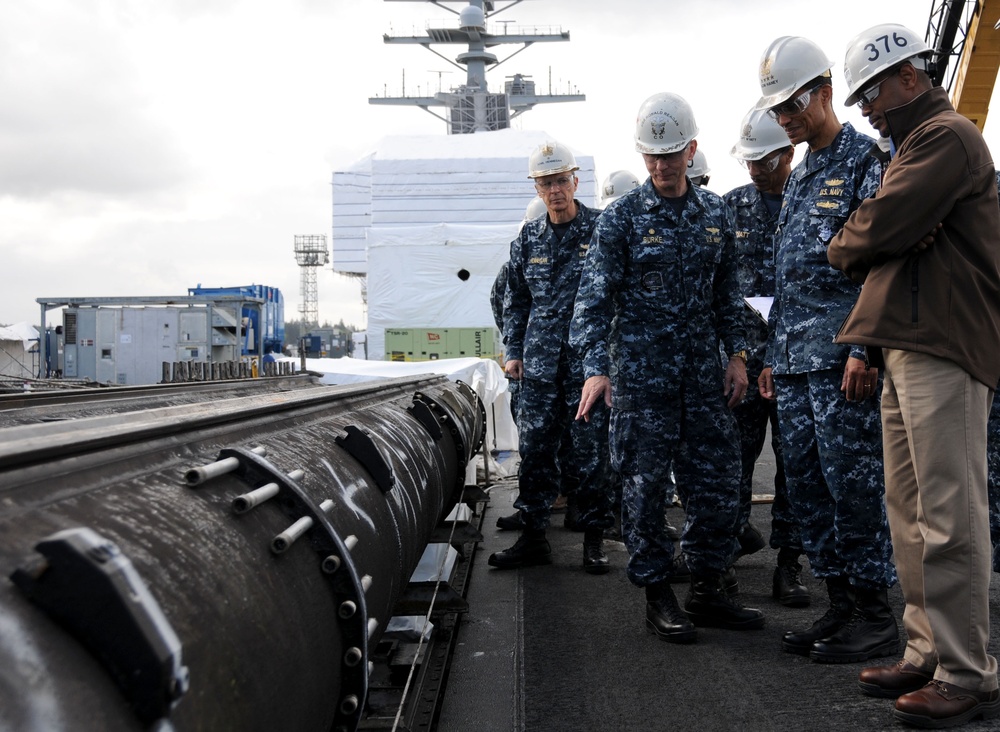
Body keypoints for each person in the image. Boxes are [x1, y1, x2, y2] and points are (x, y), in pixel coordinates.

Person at [828, 23, 1000, 727]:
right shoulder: (909, 148)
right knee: (910, 514)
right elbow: (882, 229)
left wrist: (864, 238)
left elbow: (871, 229)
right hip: (906, 341)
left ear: (908, 77)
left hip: (944, 344)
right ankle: (927, 648)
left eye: (872, 93)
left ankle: (968, 672)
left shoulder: (944, 138)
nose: (867, 108)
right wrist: (877, 234)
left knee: (950, 513)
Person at [571, 92, 764, 644]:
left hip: (704, 379)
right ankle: (658, 595)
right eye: (651, 156)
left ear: (692, 150)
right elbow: (593, 301)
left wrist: (737, 355)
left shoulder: (714, 214)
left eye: (671, 154)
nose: (660, 166)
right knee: (643, 490)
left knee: (718, 485)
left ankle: (707, 588)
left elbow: (730, 295)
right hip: (642, 383)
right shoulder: (622, 221)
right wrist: (596, 369)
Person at [754, 35, 898, 663]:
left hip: (843, 363)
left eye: (792, 105)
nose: (784, 118)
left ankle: (875, 615)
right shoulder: (802, 171)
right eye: (777, 110)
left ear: (825, 92)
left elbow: (883, 264)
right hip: (791, 363)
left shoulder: (867, 159)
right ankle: (839, 605)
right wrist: (770, 357)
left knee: (854, 487)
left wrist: (866, 348)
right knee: (808, 490)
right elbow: (787, 274)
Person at [488, 140, 615, 574]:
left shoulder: (603, 229)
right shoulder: (528, 238)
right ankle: (533, 535)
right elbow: (515, 300)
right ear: (537, 189)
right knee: (537, 451)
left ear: (575, 180)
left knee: (591, 453)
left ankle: (595, 539)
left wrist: (609, 361)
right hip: (540, 365)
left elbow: (618, 297)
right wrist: (514, 351)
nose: (555, 190)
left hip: (587, 364)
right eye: (546, 183)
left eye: (561, 180)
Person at [724, 106, 808, 608]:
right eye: (750, 161)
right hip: (745, 362)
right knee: (733, 462)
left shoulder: (807, 200)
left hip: (797, 362)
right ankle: (724, 551)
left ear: (788, 154)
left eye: (765, 161)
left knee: (795, 469)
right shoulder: (730, 208)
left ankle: (790, 565)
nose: (755, 169)